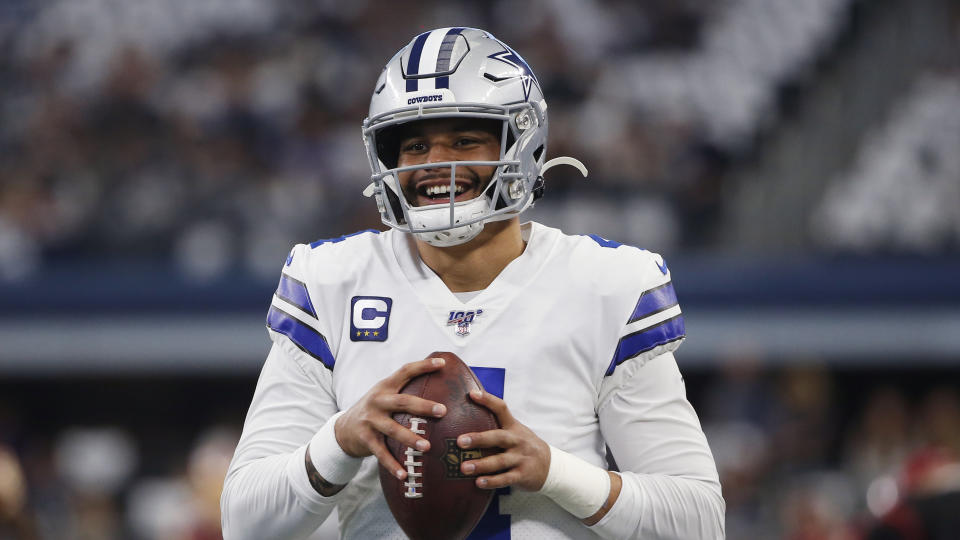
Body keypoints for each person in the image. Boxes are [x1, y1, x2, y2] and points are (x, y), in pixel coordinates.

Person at [221, 27, 724, 539]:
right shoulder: (330, 282)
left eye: (464, 139)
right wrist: (340, 440)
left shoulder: (608, 285)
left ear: (522, 145)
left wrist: (555, 473)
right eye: (415, 145)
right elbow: (245, 524)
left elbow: (698, 522)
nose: (437, 163)